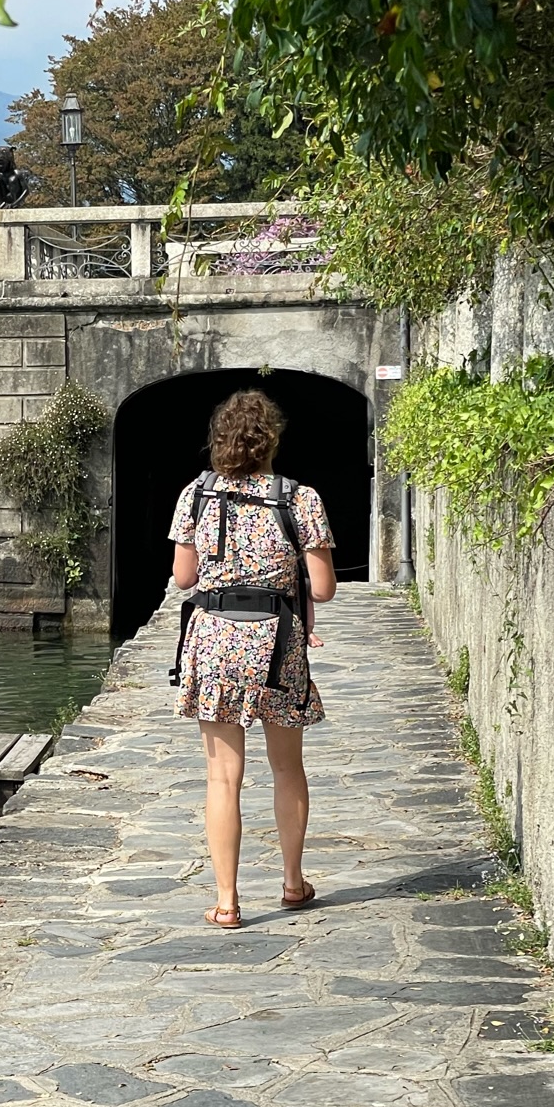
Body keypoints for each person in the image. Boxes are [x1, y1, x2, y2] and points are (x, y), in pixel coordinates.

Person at [167, 389, 337, 929]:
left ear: (220, 441)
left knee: (222, 777)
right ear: (272, 441)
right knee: (287, 767)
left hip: (215, 638)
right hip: (277, 642)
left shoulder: (195, 496)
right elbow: (325, 588)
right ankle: (292, 883)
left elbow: (184, 579)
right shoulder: (299, 498)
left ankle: (227, 901)